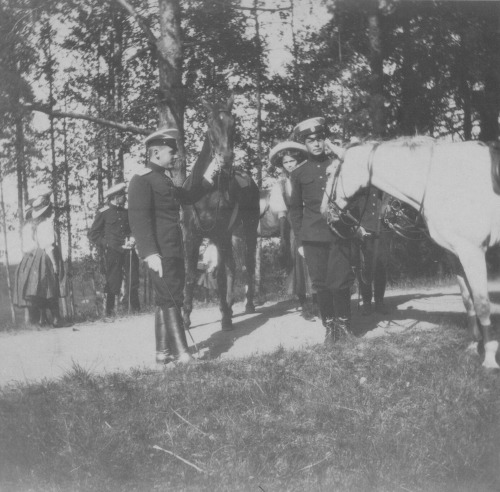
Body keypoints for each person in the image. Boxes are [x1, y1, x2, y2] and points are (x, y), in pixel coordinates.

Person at [128, 127, 218, 365]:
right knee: (171, 299)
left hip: (172, 249)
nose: (176, 155)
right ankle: (182, 354)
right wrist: (149, 253)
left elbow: (187, 196)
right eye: (171, 151)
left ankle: (163, 353)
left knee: (165, 298)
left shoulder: (162, 179)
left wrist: (209, 174)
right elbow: (138, 220)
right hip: (160, 251)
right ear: (155, 152)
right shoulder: (141, 180)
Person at [289, 117, 356, 345]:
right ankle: (330, 328)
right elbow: (295, 209)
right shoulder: (298, 173)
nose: (316, 145)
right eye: (311, 141)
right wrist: (299, 240)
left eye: (319, 139)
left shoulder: (338, 165)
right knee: (320, 283)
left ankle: (345, 326)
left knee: (341, 280)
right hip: (312, 236)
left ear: (324, 140)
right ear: (304, 144)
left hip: (339, 233)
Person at [268, 141, 316, 320]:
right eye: (286, 162)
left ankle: (320, 303)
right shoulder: (281, 185)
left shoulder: (308, 178)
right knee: (299, 265)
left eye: (292, 161)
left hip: (312, 223)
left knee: (316, 263)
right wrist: (284, 239)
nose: (289, 165)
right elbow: (282, 214)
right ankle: (305, 305)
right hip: (294, 228)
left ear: (299, 161)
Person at [13, 186, 68, 327]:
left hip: (30, 259)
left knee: (37, 289)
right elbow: (48, 246)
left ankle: (40, 320)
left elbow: (26, 247)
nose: (51, 211)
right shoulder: (46, 225)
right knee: (50, 287)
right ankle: (56, 318)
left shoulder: (28, 227)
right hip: (44, 258)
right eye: (50, 208)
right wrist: (55, 264)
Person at [88, 182, 140, 316]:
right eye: (123, 195)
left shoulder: (126, 212)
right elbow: (93, 234)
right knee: (113, 281)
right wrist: (107, 244)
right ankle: (109, 312)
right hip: (113, 252)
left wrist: (132, 238)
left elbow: (132, 229)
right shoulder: (104, 213)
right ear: (116, 197)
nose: (125, 198)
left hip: (128, 250)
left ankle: (135, 309)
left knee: (133, 279)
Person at [353, 187, 392, 315]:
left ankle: (379, 301)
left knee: (382, 263)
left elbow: (389, 193)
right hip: (365, 225)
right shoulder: (360, 177)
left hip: (382, 226)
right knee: (365, 265)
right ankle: (367, 302)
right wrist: (356, 225)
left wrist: (387, 205)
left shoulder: (382, 176)